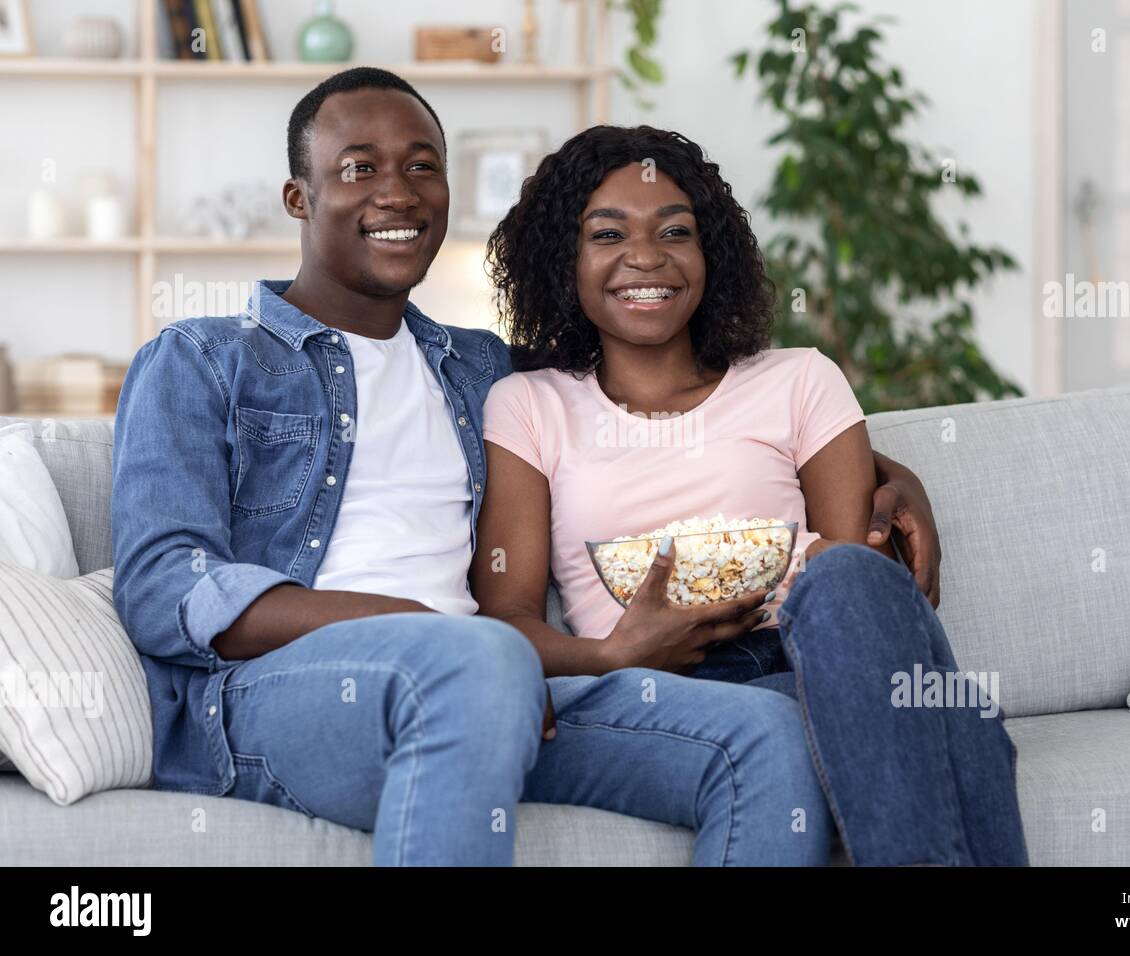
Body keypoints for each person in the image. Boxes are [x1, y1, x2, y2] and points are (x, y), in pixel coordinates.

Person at [112, 67, 944, 866]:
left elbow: (659, 394)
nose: (397, 191)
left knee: (761, 741)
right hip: (278, 701)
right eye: (359, 169)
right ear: (300, 197)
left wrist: (878, 469)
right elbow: (163, 586)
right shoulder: (201, 359)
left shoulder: (478, 369)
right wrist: (420, 626)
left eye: (422, 168)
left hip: (500, 691)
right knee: (478, 658)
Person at [472, 125, 1028, 865]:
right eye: (608, 234)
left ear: (712, 255)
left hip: (805, 666)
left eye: (676, 231)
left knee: (849, 585)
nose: (647, 256)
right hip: (653, 686)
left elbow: (856, 578)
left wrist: (901, 486)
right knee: (956, 725)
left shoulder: (800, 379)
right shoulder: (528, 405)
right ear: (563, 261)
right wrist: (611, 652)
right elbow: (505, 620)